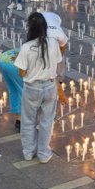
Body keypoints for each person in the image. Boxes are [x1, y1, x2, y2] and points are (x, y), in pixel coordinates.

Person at [15, 12, 62, 163]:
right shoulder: (54, 43)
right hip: (49, 87)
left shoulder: (27, 47)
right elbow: (58, 61)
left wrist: (30, 71)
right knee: (46, 122)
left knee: (28, 121)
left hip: (32, 88)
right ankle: (43, 154)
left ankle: (28, 153)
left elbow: (21, 72)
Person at [0, 48, 23, 131]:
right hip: (14, 64)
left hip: (2, 59)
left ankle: (18, 119)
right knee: (22, 90)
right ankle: (21, 121)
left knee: (13, 89)